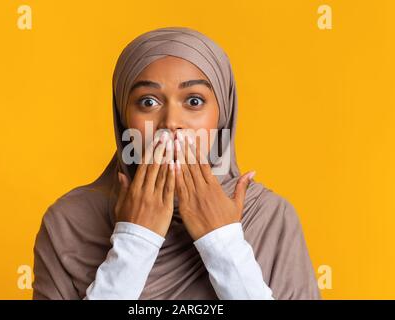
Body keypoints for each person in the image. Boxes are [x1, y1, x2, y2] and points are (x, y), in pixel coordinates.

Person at [32, 26, 321, 300]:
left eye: (194, 101)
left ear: (223, 116)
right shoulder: (69, 222)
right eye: (148, 102)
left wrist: (223, 243)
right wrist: (135, 242)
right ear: (123, 119)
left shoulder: (270, 217)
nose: (171, 123)